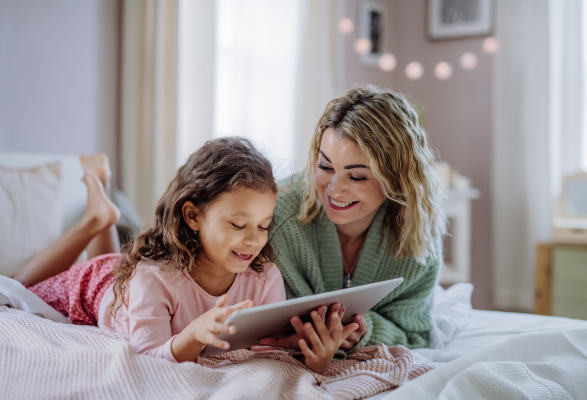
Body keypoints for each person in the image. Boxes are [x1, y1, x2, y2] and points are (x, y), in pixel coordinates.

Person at [13, 137, 357, 370]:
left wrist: (316, 358)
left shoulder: (265, 277)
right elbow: (149, 357)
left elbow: (266, 357)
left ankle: (102, 208)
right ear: (193, 215)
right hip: (98, 288)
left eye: (263, 225)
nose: (254, 241)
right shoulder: (155, 278)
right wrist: (192, 335)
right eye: (238, 225)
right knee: (15, 288)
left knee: (116, 262)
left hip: (125, 278)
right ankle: (95, 218)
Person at [259, 85, 446, 358]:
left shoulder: (416, 237)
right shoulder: (274, 215)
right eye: (325, 166)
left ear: (396, 178)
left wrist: (364, 331)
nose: (334, 189)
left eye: (357, 177)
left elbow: (414, 334)